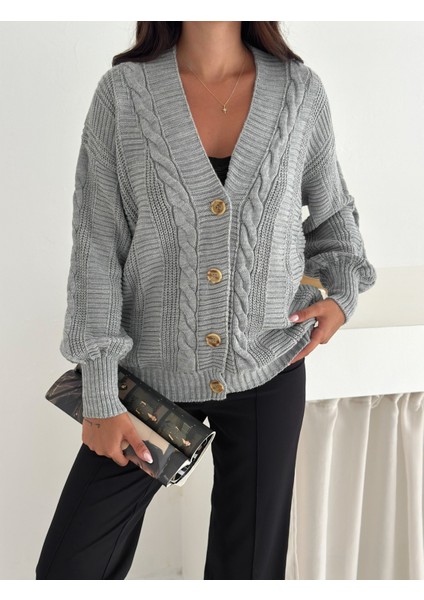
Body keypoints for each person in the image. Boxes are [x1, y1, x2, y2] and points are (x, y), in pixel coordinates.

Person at [35, 21, 377, 580]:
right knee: (70, 570)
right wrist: (99, 394)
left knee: (249, 573)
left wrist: (341, 296)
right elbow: (97, 247)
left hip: (269, 367)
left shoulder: (299, 91)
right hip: (147, 383)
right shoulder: (124, 94)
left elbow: (333, 215)